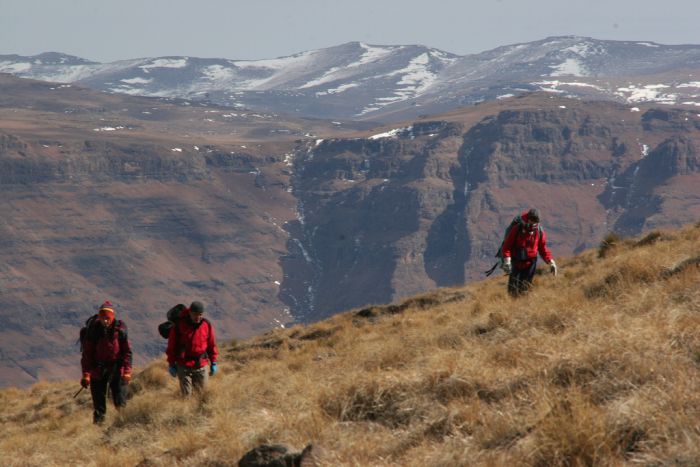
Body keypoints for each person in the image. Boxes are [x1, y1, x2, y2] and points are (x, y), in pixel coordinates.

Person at [80, 300, 132, 424]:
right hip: (97, 370)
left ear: (112, 318)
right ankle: (98, 426)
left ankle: (123, 423)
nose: (106, 321)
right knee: (99, 403)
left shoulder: (119, 331)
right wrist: (86, 375)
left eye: (108, 318)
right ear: (99, 318)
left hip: (116, 369)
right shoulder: (94, 332)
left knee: (120, 400)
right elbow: (87, 356)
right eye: (103, 318)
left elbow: (127, 353)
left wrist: (127, 372)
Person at [166, 301, 219, 396]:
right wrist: (171, 363)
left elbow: (211, 345)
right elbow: (171, 346)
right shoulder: (179, 325)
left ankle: (198, 411)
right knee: (187, 395)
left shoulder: (206, 325)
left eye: (200, 314)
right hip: (183, 365)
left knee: (201, 394)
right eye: (195, 314)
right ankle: (186, 410)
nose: (198, 317)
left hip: (201, 365)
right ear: (189, 312)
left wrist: (213, 362)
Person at [501, 208, 557, 296]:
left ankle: (522, 306)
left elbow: (542, 248)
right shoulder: (517, 229)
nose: (533, 224)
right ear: (528, 219)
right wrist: (507, 262)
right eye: (532, 221)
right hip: (516, 262)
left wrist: (551, 262)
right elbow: (507, 246)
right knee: (513, 289)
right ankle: (512, 305)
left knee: (525, 289)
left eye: (535, 222)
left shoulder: (539, 231)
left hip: (530, 264)